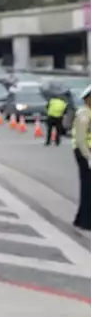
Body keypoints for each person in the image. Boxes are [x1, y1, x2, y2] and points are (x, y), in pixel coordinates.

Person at [73, 86, 92, 233]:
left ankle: (81, 219)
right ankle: (85, 221)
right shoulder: (84, 114)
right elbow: (80, 140)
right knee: (88, 187)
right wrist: (88, 157)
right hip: (84, 152)